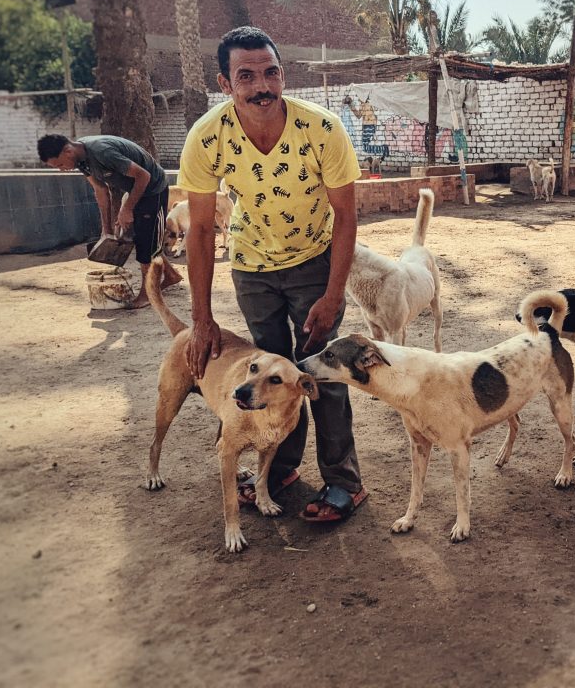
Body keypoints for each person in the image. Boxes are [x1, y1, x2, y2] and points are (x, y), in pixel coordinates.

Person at [178, 26, 366, 523]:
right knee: (266, 374)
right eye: (247, 76)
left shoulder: (321, 129)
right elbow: (198, 229)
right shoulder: (207, 136)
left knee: (321, 374)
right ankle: (279, 468)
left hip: (314, 263)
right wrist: (201, 318)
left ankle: (344, 483)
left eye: (271, 72)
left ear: (282, 75)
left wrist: (333, 293)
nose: (262, 85)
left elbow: (346, 216)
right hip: (252, 268)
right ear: (225, 84)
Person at [37, 133, 182, 308]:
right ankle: (172, 275)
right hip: (135, 189)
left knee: (147, 243)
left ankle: (148, 293)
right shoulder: (81, 160)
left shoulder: (102, 152)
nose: (61, 169)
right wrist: (106, 231)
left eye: (60, 164)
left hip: (153, 189)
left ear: (68, 151)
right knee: (142, 239)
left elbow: (143, 176)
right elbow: (101, 190)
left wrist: (127, 208)